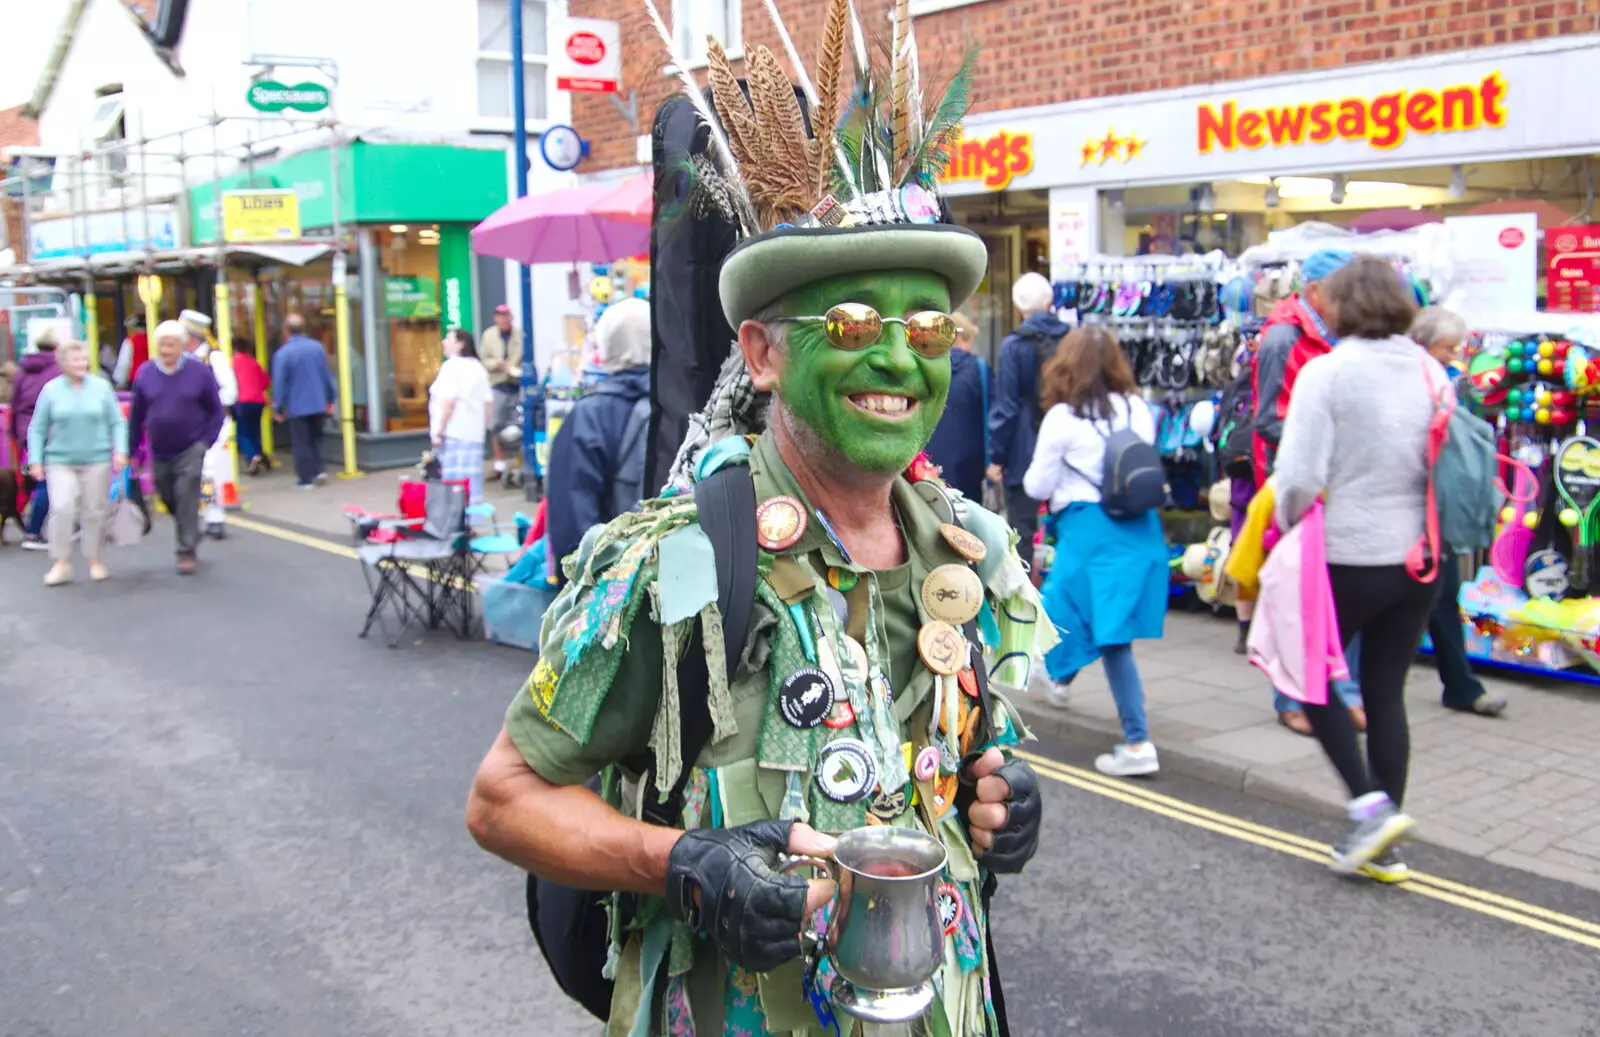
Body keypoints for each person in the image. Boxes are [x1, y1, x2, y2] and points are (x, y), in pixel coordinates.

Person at [467, 22, 1047, 1033]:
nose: (901, 362)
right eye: (856, 326)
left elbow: (954, 755)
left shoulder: (969, 548)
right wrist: (682, 861)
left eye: (927, 329)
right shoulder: (673, 559)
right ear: (762, 354)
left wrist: (995, 798)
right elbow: (504, 799)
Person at [1274, 255, 1443, 878]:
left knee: (1308, 682)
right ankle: (1384, 840)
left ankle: (1371, 809)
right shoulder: (1431, 371)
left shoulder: (1328, 373)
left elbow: (1297, 480)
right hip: (1420, 559)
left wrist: (1289, 531)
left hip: (1347, 555)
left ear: (1339, 305)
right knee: (1385, 692)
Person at [1024, 327, 1167, 777]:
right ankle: (1061, 683)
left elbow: (1036, 486)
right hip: (1138, 529)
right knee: (1088, 616)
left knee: (1101, 631)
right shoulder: (1137, 409)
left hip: (1090, 534)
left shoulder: (1063, 419)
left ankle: (1139, 742)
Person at [1252, 248, 1358, 734]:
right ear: (1317, 289)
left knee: (1338, 596)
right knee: (1299, 597)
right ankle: (1290, 696)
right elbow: (1267, 418)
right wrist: (1318, 444)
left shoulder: (1336, 335)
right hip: (1294, 484)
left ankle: (1342, 692)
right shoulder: (1282, 336)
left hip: (1337, 485)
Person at [1410, 305, 1508, 717]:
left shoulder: (1441, 378)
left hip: (1436, 506)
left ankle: (1462, 687)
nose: (1454, 355)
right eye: (1448, 347)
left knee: (1443, 595)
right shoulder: (1409, 377)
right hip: (1406, 507)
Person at [545, 297, 652, 573]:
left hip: (615, 582)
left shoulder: (588, 416)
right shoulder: (681, 404)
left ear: (604, 348)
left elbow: (573, 522)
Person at [25, 341, 128, 585]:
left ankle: (95, 560)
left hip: (97, 459)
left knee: (94, 511)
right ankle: (61, 563)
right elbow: (37, 428)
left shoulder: (102, 387)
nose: (81, 364)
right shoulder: (50, 390)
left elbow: (117, 422)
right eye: (75, 360)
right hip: (59, 460)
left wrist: (121, 451)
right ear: (62, 364)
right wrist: (35, 460)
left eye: (83, 359)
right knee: (61, 508)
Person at [128, 320, 225, 575]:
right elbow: (136, 416)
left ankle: (186, 551)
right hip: (160, 450)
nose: (165, 350)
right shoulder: (146, 373)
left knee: (188, 490)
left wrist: (205, 442)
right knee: (169, 497)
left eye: (170, 344)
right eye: (161, 344)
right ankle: (189, 529)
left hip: (191, 446)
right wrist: (131, 452)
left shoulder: (199, 372)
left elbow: (216, 411)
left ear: (182, 346)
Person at [988, 272, 1070, 571]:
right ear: (1050, 301)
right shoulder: (1072, 340)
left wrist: (997, 456)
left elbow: (1006, 406)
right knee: (1066, 529)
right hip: (1068, 445)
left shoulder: (1013, 345)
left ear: (1019, 306)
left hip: (1023, 447)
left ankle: (1024, 599)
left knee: (1021, 530)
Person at [179, 310, 237, 539]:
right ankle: (204, 514)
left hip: (213, 425)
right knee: (195, 473)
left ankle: (214, 516)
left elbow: (231, 392)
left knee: (208, 472)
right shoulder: (182, 361)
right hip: (189, 426)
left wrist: (204, 403)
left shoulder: (214, 358)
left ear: (191, 336)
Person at [924, 312, 989, 501]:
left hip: (928, 460)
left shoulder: (927, 368)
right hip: (970, 462)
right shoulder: (979, 368)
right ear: (959, 337)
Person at [9, 329, 62, 550]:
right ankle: (33, 531)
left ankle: (69, 525)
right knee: (49, 480)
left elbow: (14, 403)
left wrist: (15, 434)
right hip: (52, 429)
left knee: (44, 476)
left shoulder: (22, 370)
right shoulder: (58, 370)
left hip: (26, 430)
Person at [270, 314, 337, 488]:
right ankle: (320, 470)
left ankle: (306, 479)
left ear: (286, 331)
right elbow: (326, 376)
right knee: (317, 438)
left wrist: (278, 407)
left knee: (301, 442)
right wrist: (330, 398)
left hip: (297, 405)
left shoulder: (283, 354)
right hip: (318, 402)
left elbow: (280, 383)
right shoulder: (318, 348)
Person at [429, 328, 492, 505]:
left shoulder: (451, 367)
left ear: (460, 344)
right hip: (474, 435)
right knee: (472, 482)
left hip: (454, 433)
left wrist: (439, 431)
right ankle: (470, 520)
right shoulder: (479, 368)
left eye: (448, 339)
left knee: (453, 482)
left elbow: (449, 402)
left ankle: (454, 521)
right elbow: (488, 403)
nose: (444, 342)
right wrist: (482, 428)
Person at [479, 303, 524, 483]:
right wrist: (495, 364)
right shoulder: (488, 336)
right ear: (495, 318)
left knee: (519, 424)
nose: (504, 319)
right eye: (500, 316)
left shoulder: (519, 335)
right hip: (497, 383)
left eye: (506, 316)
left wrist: (515, 367)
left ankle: (520, 463)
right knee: (496, 424)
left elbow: (525, 357)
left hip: (515, 384)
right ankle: (499, 463)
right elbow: (483, 360)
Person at [232, 344, 271, 475]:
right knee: (253, 432)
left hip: (242, 401)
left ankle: (253, 456)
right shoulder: (253, 362)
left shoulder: (232, 362)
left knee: (241, 433)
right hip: (258, 401)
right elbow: (266, 382)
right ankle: (260, 456)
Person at [112, 314, 150, 389]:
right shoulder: (152, 340)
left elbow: (124, 363)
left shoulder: (130, 341)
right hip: (152, 377)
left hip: (135, 379)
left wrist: (120, 381)